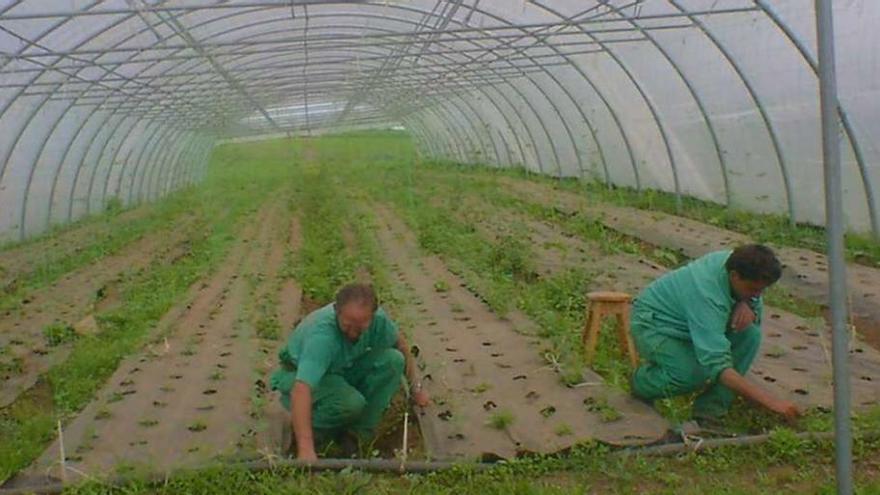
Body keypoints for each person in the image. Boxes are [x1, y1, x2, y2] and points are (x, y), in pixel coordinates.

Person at [630, 244, 801, 423]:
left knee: (750, 335)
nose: (757, 295)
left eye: (761, 290)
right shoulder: (706, 294)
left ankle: (710, 411)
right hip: (656, 325)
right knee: (691, 374)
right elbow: (717, 365)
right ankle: (642, 385)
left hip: (692, 322)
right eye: (752, 289)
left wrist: (746, 302)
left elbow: (750, 302)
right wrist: (771, 402)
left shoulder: (739, 263)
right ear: (734, 276)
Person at [269, 283, 430, 461]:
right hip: (296, 377)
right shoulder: (322, 336)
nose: (353, 333)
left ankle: (355, 438)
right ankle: (312, 433)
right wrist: (305, 450)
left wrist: (416, 389)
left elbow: (401, 345)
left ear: (373, 316)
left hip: (341, 370)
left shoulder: (379, 321)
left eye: (361, 328)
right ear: (337, 311)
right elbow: (302, 389)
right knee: (352, 403)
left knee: (393, 360)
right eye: (347, 326)